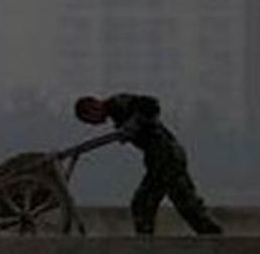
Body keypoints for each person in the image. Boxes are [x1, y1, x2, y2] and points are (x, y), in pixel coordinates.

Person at [75, 93, 222, 236]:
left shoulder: (118, 102)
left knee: (159, 202)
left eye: (90, 120)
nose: (94, 124)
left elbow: (151, 104)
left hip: (166, 156)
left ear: (93, 107)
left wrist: (132, 125)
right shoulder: (116, 112)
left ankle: (212, 236)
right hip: (158, 159)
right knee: (158, 202)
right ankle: (208, 233)